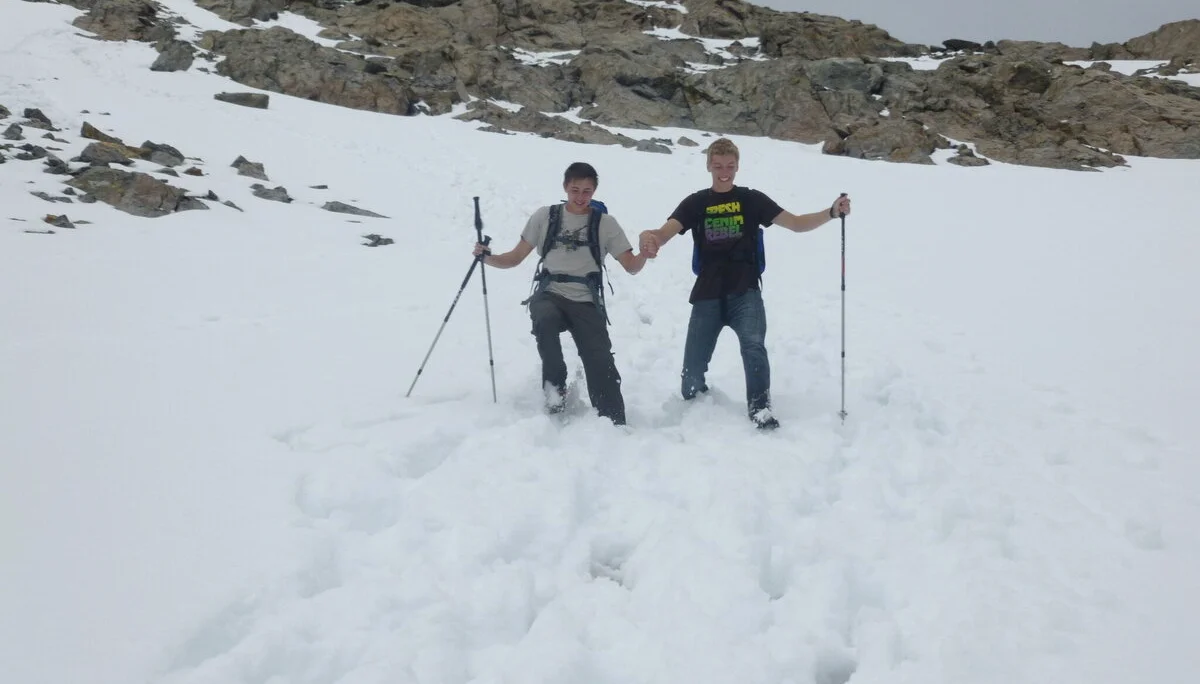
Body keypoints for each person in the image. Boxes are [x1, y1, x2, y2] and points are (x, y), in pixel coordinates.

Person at [638, 137, 851, 430]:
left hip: (745, 291)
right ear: (708, 166)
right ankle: (697, 403)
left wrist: (831, 212)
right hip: (707, 294)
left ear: (737, 167)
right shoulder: (696, 203)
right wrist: (649, 239)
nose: (724, 171)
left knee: (753, 347)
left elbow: (797, 223)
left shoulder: (751, 200)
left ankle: (760, 407)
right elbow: (662, 233)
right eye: (718, 166)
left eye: (730, 166)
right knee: (691, 375)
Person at [473, 162, 652, 426]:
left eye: (587, 191)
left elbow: (631, 266)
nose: (580, 197)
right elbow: (514, 258)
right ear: (565, 187)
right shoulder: (545, 217)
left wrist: (644, 255)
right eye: (575, 190)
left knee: (599, 358)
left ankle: (613, 419)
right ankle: (555, 391)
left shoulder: (605, 224)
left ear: (594, 191)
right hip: (550, 293)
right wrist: (488, 258)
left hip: (586, 300)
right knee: (544, 321)